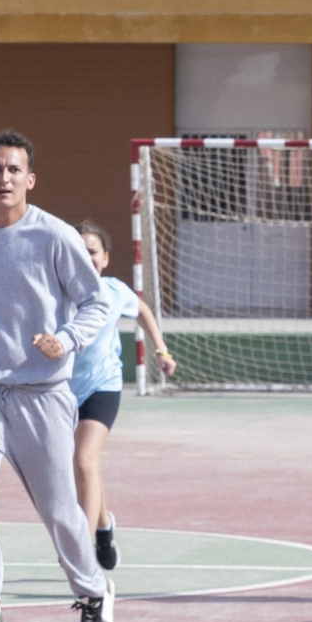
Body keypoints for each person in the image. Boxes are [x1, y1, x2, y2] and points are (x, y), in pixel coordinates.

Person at [0, 130, 118, 622]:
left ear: (30, 180)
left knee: (61, 509)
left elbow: (98, 303)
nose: (4, 178)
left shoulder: (56, 236)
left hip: (42, 393)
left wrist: (65, 340)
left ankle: (92, 595)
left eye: (14, 170)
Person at [69, 219, 178, 570]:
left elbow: (143, 310)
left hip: (104, 386)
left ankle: (82, 552)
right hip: (62, 391)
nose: (86, 257)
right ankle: (104, 526)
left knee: (84, 460)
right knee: (87, 466)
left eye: (92, 251)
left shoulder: (114, 291)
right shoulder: (56, 292)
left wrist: (160, 349)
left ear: (105, 259)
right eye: (79, 251)